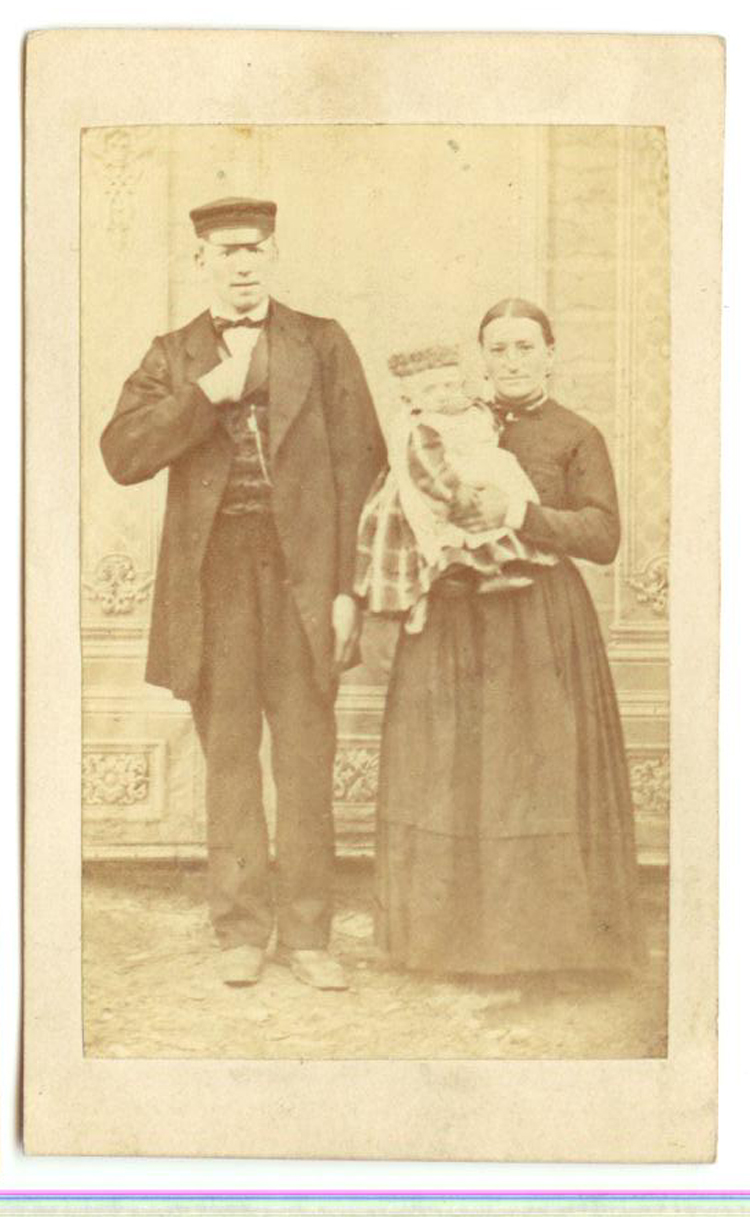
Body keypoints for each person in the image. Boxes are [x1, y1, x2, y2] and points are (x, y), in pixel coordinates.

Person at [100, 196, 385, 990]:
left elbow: (363, 466)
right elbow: (122, 454)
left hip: (305, 582)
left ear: (274, 253)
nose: (242, 263)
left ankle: (309, 935)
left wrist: (347, 591)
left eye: (255, 247)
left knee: (306, 758)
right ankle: (241, 931)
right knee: (229, 756)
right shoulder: (175, 354)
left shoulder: (322, 341)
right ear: (201, 261)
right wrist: (207, 393)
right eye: (226, 251)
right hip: (215, 582)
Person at [374, 297, 645, 981]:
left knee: (532, 775)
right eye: (498, 348)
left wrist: (519, 511)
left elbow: (603, 535)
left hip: (540, 624)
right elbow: (401, 501)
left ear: (550, 354)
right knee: (452, 771)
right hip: (454, 620)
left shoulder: (575, 434)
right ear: (481, 358)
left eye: (526, 346)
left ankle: (545, 950)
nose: (513, 360)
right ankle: (450, 944)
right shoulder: (444, 421)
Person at [354, 344, 557, 635]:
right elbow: (427, 466)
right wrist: (454, 490)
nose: (443, 395)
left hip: (474, 481)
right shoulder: (420, 426)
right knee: (441, 547)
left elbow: (489, 431)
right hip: (435, 491)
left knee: (494, 525)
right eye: (431, 390)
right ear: (411, 398)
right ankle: (420, 601)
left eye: (449, 386)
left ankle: (492, 575)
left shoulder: (467, 411)